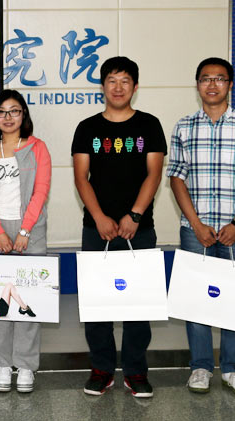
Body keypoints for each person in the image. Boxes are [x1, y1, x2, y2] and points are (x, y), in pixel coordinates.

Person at [167, 57, 235, 396]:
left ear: (230, 84)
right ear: (197, 85)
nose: (212, 85)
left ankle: (233, 369)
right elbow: (176, 178)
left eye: (219, 78)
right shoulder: (184, 126)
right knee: (197, 299)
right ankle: (200, 367)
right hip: (196, 229)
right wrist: (196, 223)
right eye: (206, 78)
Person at [71, 56, 166, 398]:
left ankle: (136, 371)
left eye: (125, 81)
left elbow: (154, 174)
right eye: (112, 80)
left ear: (135, 87)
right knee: (98, 301)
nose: (118, 87)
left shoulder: (149, 125)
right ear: (102, 86)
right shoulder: (87, 128)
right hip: (96, 228)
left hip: (140, 228)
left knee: (139, 301)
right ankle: (101, 368)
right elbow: (81, 177)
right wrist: (99, 217)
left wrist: (135, 215)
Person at [0, 89, 51, 394]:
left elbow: (41, 191)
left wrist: (24, 231)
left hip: (29, 233)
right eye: (2, 112)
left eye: (14, 110)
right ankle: (3, 364)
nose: (8, 117)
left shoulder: (37, 148)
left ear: (24, 115)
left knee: (27, 300)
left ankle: (26, 365)